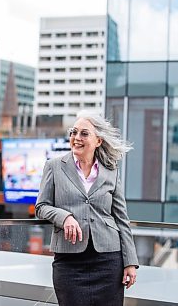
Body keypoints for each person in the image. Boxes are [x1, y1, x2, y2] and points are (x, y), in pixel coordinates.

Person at [35, 111, 139, 306]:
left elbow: (121, 218)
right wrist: (64, 217)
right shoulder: (54, 166)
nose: (77, 138)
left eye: (84, 133)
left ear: (98, 141)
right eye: (74, 132)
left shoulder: (111, 171)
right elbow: (41, 207)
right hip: (69, 261)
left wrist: (130, 262)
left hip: (109, 261)